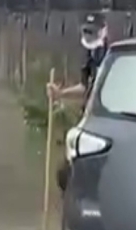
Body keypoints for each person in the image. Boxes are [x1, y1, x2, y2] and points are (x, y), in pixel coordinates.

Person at [46, 12, 109, 191]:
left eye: (93, 32)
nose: (89, 36)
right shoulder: (91, 55)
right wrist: (60, 94)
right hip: (89, 117)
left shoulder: (112, 55)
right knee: (66, 172)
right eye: (87, 32)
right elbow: (84, 88)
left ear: (104, 31)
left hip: (106, 121)